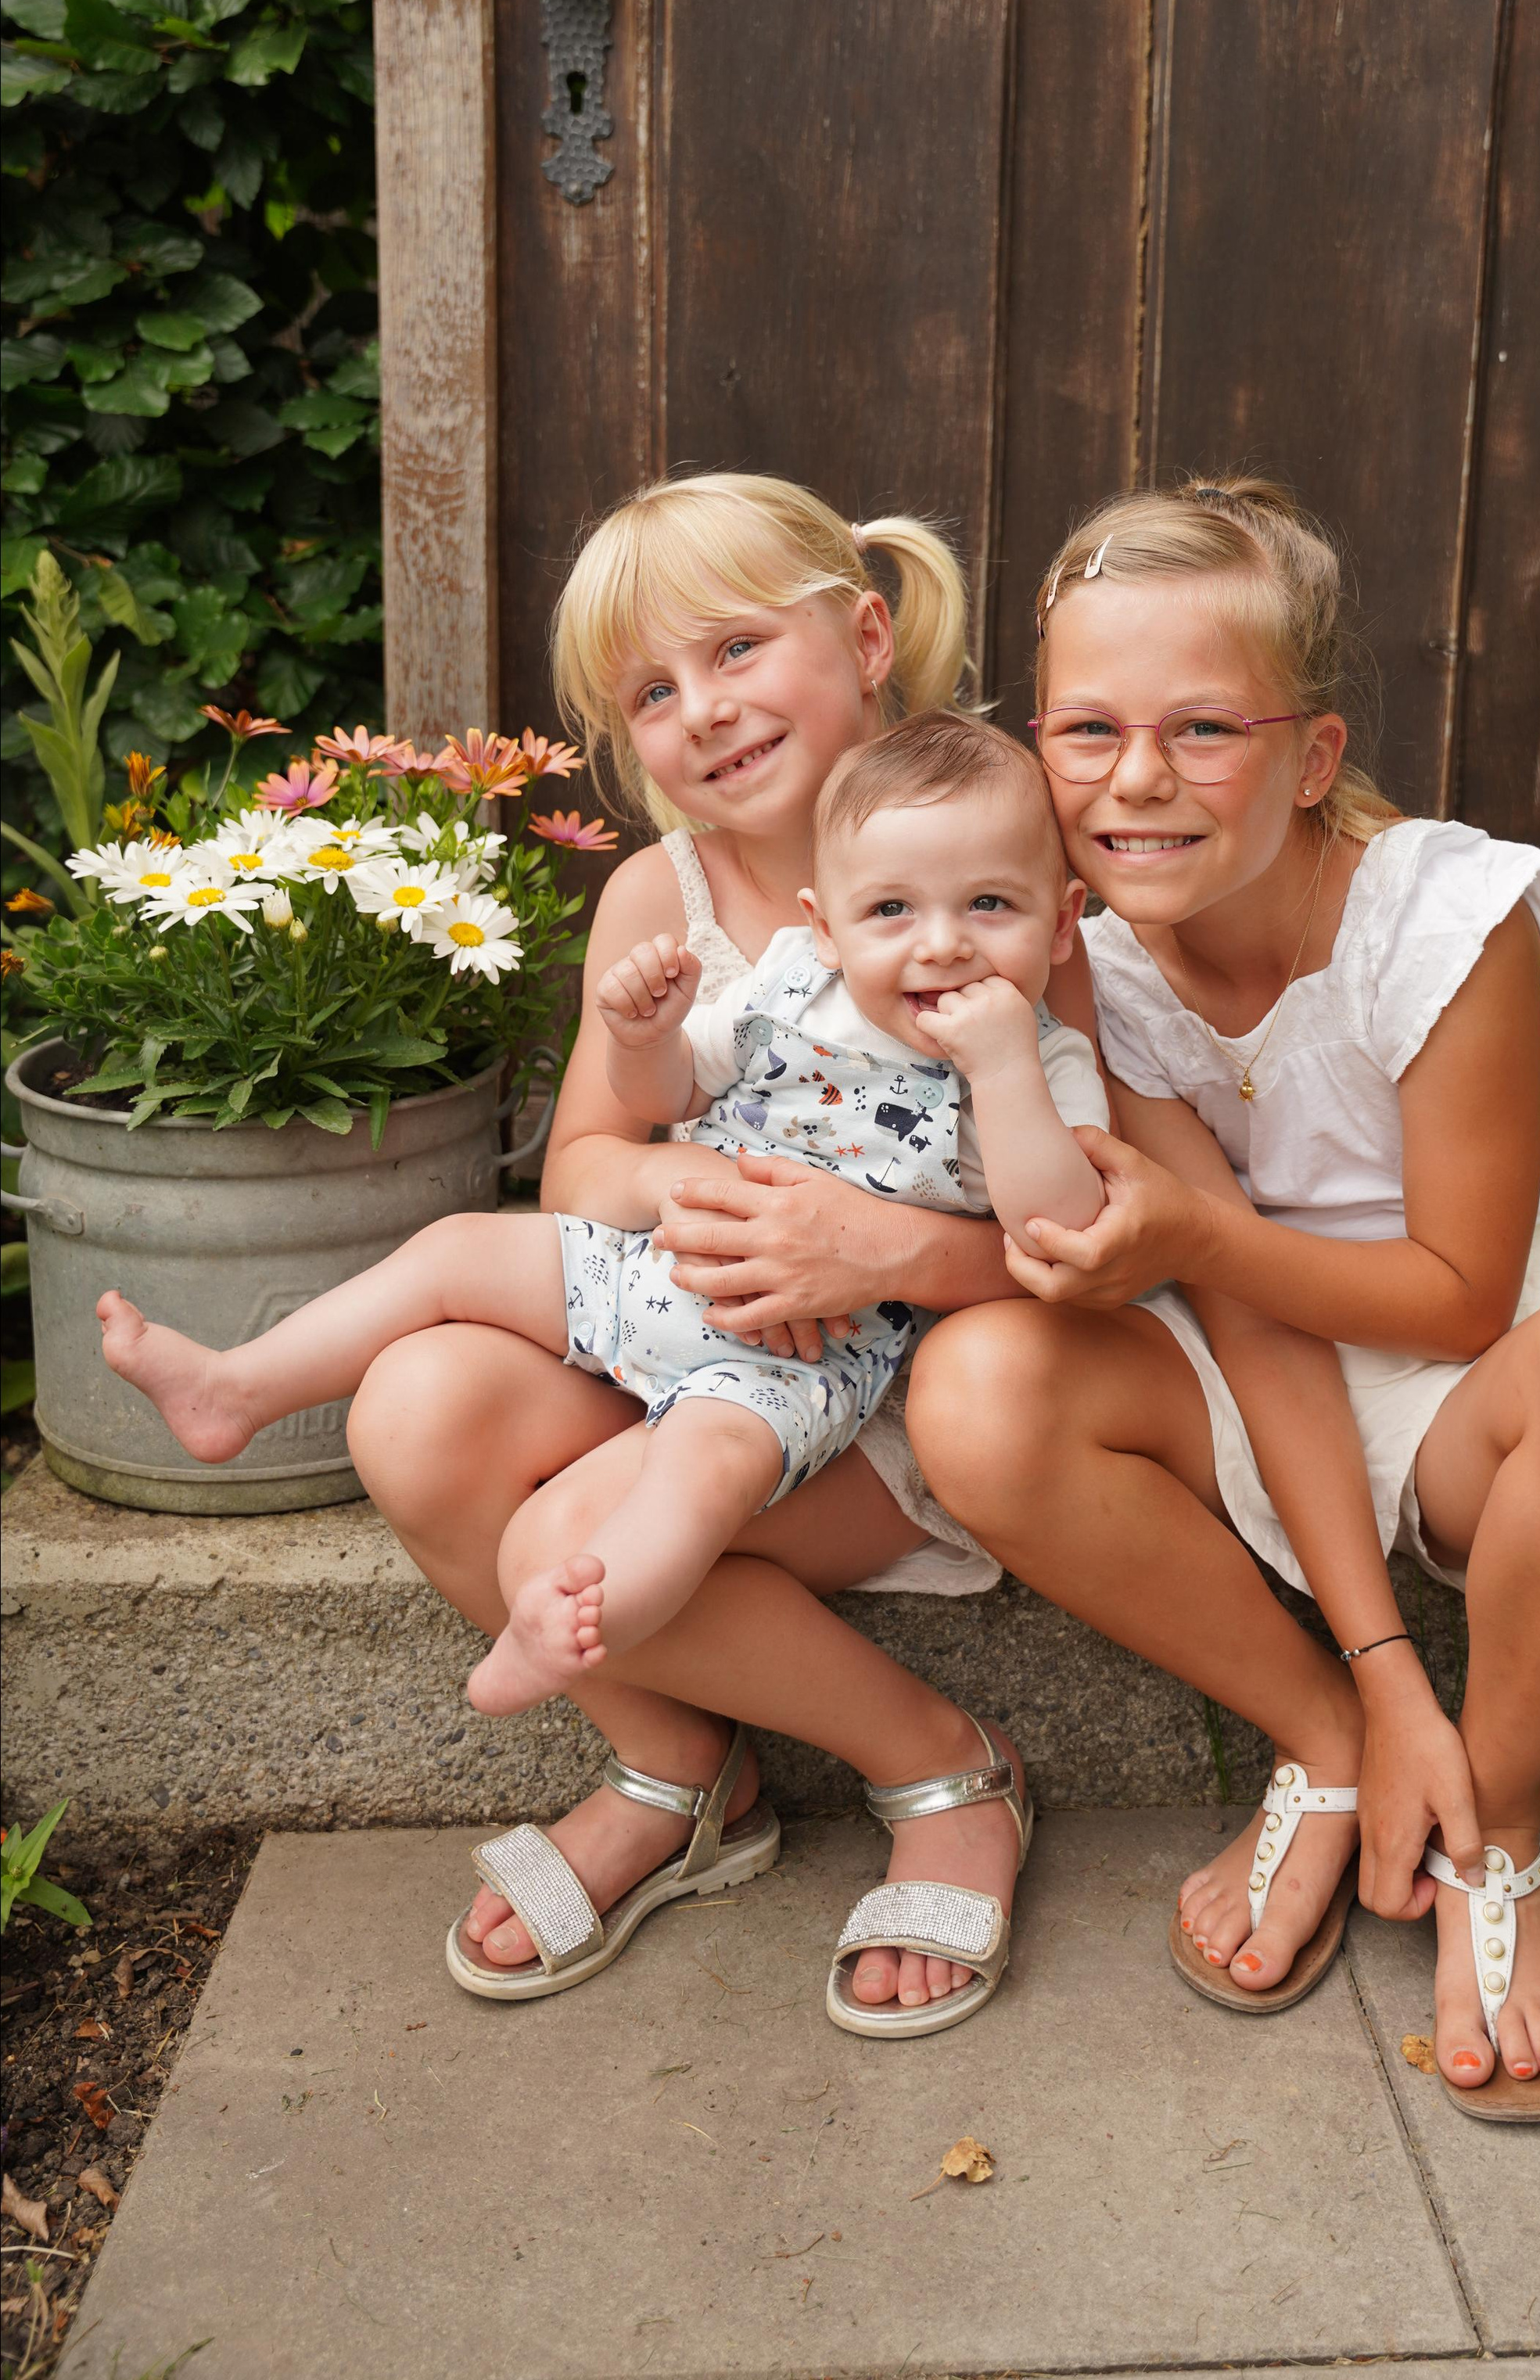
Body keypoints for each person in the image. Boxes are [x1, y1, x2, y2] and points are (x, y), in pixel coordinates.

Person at [906, 479, 1540, 2120]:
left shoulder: (1435, 917)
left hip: (1477, 1374)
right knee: (977, 1387)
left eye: (1203, 728)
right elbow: (1236, 1303)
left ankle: (1495, 1816)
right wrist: (1378, 1665)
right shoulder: (1092, 952)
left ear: (1309, 754)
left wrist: (1192, 1240)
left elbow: (1455, 1296)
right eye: (1087, 729)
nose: (1136, 778)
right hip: (1253, 1363)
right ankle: (1331, 1740)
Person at [208, 476, 1043, 2034]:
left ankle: (944, 1764)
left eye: (735, 649)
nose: (702, 709)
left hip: (890, 1392)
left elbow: (1090, 1229)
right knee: (412, 1407)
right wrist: (704, 1190)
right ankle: (680, 1767)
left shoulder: (994, 862)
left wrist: (871, 1245)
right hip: (696, 1331)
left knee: (562, 1546)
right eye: (651, 692)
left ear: (866, 638)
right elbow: (583, 1166)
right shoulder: (662, 895)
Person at [96, 709, 1106, 1725]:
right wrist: (643, 1037)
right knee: (456, 1249)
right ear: (826, 925)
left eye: (989, 904)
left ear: (1062, 922)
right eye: (891, 909)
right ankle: (236, 1387)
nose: (943, 943)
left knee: (696, 1476)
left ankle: (583, 1620)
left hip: (792, 1359)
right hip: (647, 1266)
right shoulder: (792, 983)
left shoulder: (1041, 1059)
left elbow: (1060, 1226)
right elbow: (672, 1091)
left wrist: (1002, 1068)